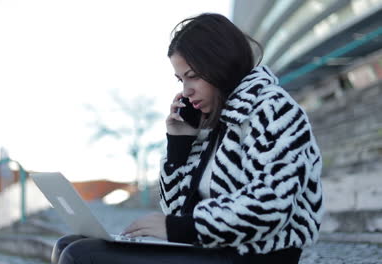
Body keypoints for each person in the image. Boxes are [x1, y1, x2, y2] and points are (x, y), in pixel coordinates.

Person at [51, 12, 324, 264]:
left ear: (221, 65)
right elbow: (177, 211)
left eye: (192, 76)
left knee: (81, 256)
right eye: (180, 79)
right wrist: (179, 146)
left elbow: (271, 205)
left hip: (256, 254)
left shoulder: (273, 109)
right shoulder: (211, 122)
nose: (187, 90)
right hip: (210, 247)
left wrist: (180, 228)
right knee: (68, 244)